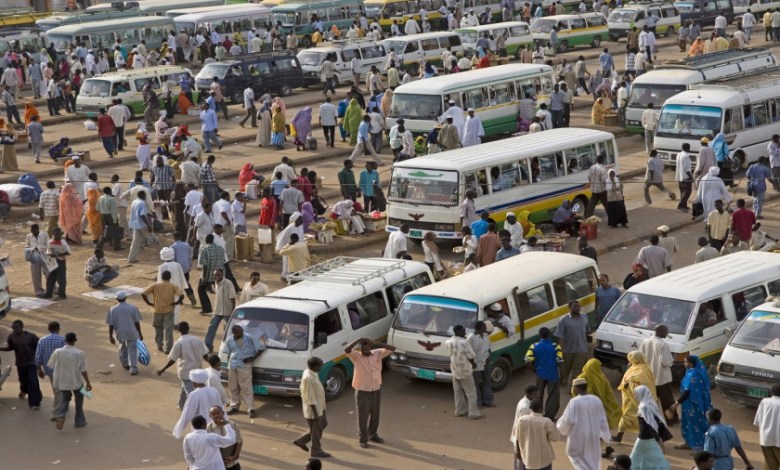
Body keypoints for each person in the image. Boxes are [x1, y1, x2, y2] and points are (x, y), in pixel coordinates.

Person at [344, 337, 396, 448]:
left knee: (375, 414)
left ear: (370, 348)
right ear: (359, 349)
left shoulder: (377, 353)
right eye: (362, 349)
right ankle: (362, 439)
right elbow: (347, 350)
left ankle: (373, 434)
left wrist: (377, 343)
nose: (364, 352)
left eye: (366, 349)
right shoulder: (356, 356)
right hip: (362, 390)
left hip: (376, 389)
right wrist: (358, 339)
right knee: (363, 416)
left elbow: (392, 348)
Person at [557, 378, 613, 470]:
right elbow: (603, 419)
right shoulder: (596, 399)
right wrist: (605, 435)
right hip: (594, 435)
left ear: (575, 388)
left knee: (576, 458)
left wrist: (560, 426)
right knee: (592, 459)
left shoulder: (574, 402)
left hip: (578, 437)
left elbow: (568, 420)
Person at [157, 321, 209, 410]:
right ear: (188, 328)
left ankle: (195, 410)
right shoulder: (197, 340)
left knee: (190, 392)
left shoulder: (179, 343)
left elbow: (173, 359)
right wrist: (213, 365)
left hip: (185, 372)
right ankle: (181, 405)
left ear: (178, 330)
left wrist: (163, 369)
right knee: (184, 389)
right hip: (197, 371)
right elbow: (205, 355)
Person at [47, 332, 91, 430]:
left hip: (62, 382)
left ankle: (61, 415)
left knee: (65, 399)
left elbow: (51, 365)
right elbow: (83, 370)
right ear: (75, 340)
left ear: (65, 341)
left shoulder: (57, 351)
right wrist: (88, 382)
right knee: (79, 400)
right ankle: (79, 421)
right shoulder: (80, 353)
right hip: (76, 381)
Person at [614, 351, 658, 444]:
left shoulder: (641, 370)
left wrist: (628, 383)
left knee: (637, 418)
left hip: (637, 400)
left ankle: (648, 439)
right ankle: (619, 436)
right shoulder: (637, 367)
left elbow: (640, 383)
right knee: (628, 417)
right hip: (632, 399)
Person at [221, 324, 264, 418]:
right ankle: (234, 406)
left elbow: (261, 348)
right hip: (233, 365)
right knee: (232, 386)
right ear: (234, 333)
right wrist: (229, 367)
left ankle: (250, 408)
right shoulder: (230, 340)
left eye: (241, 331)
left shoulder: (248, 337)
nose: (241, 333)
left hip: (245, 365)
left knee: (246, 387)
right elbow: (228, 353)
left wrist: (252, 358)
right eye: (239, 332)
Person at [670, 355, 712, 451]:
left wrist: (677, 403)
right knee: (687, 423)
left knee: (695, 424)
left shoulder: (694, 374)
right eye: (684, 362)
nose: (685, 364)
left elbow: (688, 392)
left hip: (694, 404)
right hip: (688, 404)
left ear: (693, 363)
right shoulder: (689, 372)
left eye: (687, 362)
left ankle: (698, 447)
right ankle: (688, 442)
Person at [293, 357, 331, 459]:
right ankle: (316, 451)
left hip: (320, 407)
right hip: (314, 410)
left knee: (322, 424)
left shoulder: (312, 372)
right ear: (314, 366)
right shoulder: (308, 378)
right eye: (320, 365)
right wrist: (315, 414)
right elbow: (310, 398)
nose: (321, 367)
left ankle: (301, 441)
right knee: (317, 429)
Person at [639, 325, 677, 425]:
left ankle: (649, 420)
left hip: (649, 377)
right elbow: (666, 362)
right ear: (660, 331)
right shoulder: (663, 344)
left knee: (650, 400)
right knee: (667, 401)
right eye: (666, 331)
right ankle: (671, 420)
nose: (667, 334)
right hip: (661, 378)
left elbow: (640, 357)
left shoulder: (645, 342)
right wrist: (671, 361)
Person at [0, 320, 42, 410]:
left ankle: (35, 403)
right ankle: (24, 390)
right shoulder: (11, 337)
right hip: (20, 363)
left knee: (33, 381)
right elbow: (10, 348)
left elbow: (39, 347)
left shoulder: (31, 336)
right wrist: (1, 349)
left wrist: (39, 362)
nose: (14, 330)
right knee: (23, 381)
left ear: (22, 327)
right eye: (13, 328)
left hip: (31, 362)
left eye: (16, 328)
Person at [173, 368, 226, 439]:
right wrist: (226, 423)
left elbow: (187, 414)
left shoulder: (194, 394)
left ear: (194, 382)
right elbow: (221, 408)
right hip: (215, 426)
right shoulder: (213, 390)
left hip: (200, 428)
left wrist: (177, 431)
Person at [525, 326, 563, 420]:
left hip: (540, 374)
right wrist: (562, 376)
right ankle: (549, 417)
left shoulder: (534, 346)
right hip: (553, 375)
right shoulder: (555, 346)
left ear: (540, 335)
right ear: (549, 335)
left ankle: (537, 415)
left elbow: (527, 361)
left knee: (538, 396)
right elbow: (560, 362)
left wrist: (536, 370)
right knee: (553, 398)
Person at [446, 324, 483, 420]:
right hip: (465, 370)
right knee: (471, 392)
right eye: (463, 331)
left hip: (455, 370)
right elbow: (471, 355)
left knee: (457, 392)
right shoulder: (464, 342)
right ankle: (474, 413)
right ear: (458, 332)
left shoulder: (449, 341)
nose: (465, 332)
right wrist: (474, 364)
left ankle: (460, 411)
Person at [629, 385, 671, 470]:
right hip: (650, 437)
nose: (635, 395)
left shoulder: (643, 406)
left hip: (644, 437)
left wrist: (657, 438)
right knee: (654, 454)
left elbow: (649, 423)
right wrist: (657, 437)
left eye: (636, 393)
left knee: (636, 454)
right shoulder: (650, 403)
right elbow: (655, 421)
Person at [142, 271, 184, 354]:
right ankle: (168, 349)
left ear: (161, 277)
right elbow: (181, 295)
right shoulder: (173, 286)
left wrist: (148, 303)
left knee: (158, 329)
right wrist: (176, 302)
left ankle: (159, 345)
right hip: (169, 310)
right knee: (168, 330)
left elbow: (143, 293)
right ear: (170, 277)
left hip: (157, 310)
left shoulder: (155, 286)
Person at [514, 399, 563, 470]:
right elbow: (556, 438)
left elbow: (517, 438)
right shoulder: (546, 422)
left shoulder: (521, 420)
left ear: (530, 408)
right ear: (541, 409)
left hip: (527, 458)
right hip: (544, 459)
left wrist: (518, 452)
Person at [576, 358, 622, 430]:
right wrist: (613, 404)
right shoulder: (602, 378)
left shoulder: (581, 377)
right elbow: (609, 393)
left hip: (584, 405)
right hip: (599, 404)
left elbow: (574, 390)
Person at [106, 290, 143, 375]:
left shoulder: (113, 309)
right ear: (125, 298)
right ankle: (133, 368)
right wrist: (140, 333)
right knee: (132, 349)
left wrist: (110, 336)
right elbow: (137, 322)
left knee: (122, 348)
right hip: (132, 331)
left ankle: (125, 364)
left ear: (116, 299)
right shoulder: (133, 308)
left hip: (120, 332)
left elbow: (111, 324)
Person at [556, 300, 589, 385]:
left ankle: (573, 388)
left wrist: (586, 346)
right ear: (570, 308)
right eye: (575, 307)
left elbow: (587, 331)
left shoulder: (585, 317)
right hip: (568, 350)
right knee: (565, 369)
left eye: (579, 306)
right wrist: (561, 350)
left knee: (577, 370)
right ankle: (563, 380)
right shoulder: (563, 320)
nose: (578, 308)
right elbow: (560, 336)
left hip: (581, 349)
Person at [204, 269, 236, 352]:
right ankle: (207, 346)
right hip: (217, 310)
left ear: (222, 275)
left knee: (229, 329)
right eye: (215, 275)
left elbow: (233, 297)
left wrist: (233, 310)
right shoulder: (215, 282)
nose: (217, 277)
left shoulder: (228, 283)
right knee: (211, 327)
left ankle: (231, 347)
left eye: (218, 275)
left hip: (227, 310)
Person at [467, 321, 493, 408]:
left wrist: (490, 355)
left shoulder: (485, 336)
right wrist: (472, 363)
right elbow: (468, 352)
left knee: (487, 381)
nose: (485, 329)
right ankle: (478, 402)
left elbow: (489, 348)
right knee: (476, 383)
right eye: (484, 327)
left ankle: (488, 401)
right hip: (476, 364)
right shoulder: (471, 338)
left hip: (485, 362)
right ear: (479, 328)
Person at [754, 384, 780, 470]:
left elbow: (758, 421)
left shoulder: (764, 401)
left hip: (766, 438)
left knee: (770, 466)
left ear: (771, 392)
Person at [44, 228, 70, 299]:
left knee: (61, 279)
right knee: (51, 278)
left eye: (59, 234)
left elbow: (68, 252)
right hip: (52, 261)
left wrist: (58, 254)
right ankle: (48, 293)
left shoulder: (63, 242)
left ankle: (62, 295)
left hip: (60, 261)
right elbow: (47, 251)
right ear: (53, 234)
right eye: (56, 234)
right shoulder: (50, 242)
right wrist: (50, 254)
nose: (58, 235)